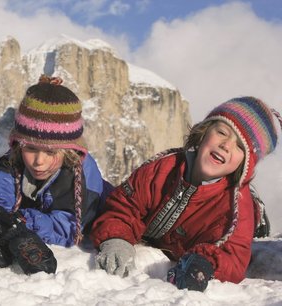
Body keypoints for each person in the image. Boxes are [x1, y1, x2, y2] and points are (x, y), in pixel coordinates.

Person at [90, 96, 282, 291]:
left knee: (252, 221)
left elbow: (233, 256)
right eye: (222, 132)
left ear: (245, 164)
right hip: (165, 235)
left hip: (238, 218)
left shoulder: (236, 209)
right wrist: (117, 238)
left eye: (240, 147)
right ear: (204, 132)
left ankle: (260, 211)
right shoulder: (163, 169)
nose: (226, 145)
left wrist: (203, 263)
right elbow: (124, 205)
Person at [0, 75, 113, 274]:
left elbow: (67, 228)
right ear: (18, 145)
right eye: (31, 149)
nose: (38, 161)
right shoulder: (14, 160)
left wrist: (22, 223)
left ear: (69, 150)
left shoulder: (81, 175)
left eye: (50, 152)